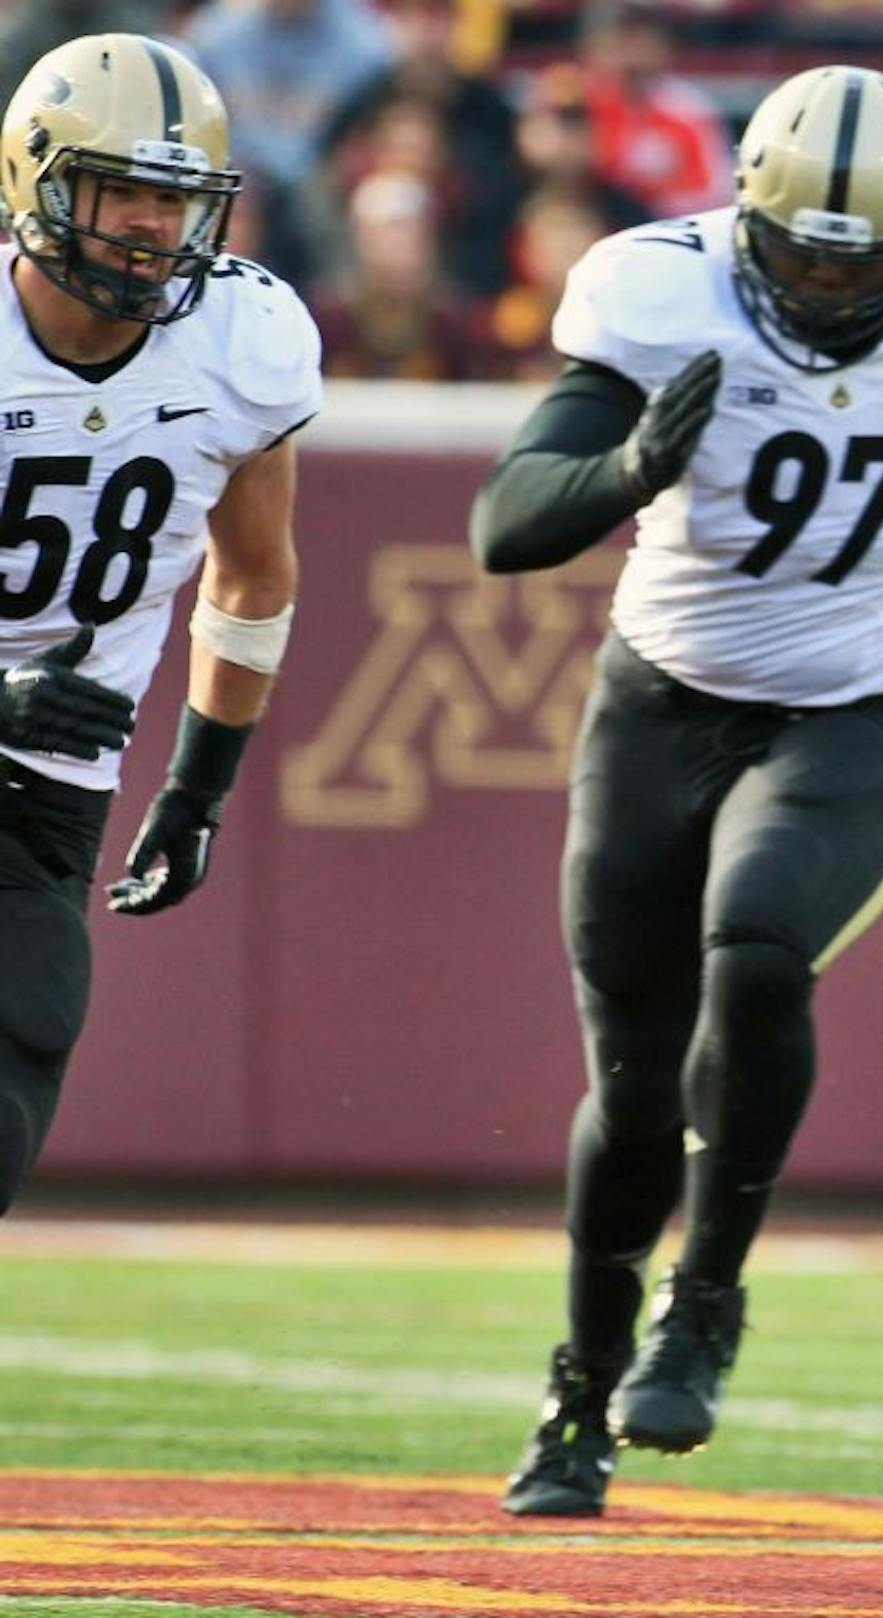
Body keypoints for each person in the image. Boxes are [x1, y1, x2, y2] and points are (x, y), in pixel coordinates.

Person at [471, 66, 883, 1520]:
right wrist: (629, 467)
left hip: (870, 708)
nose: (823, 285)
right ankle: (580, 1391)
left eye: (857, 258)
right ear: (741, 217)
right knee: (633, 1081)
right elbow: (507, 521)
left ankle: (707, 1298)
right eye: (799, 252)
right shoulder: (656, 291)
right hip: (662, 702)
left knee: (755, 946)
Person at [0, 35, 320, 1214]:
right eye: (120, 189)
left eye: (177, 198)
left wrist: (198, 786)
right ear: (37, 181)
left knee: (20, 1057)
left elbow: (250, 575)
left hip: (44, 787)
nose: (150, 225)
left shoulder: (244, 340)